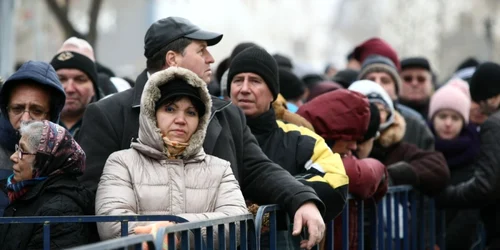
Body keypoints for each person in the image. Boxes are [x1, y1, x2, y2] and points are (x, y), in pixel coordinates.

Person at [78, 16, 325, 248]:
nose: (211, 59)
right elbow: (97, 203)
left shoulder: (227, 114)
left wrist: (301, 198)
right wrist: (158, 236)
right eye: (201, 50)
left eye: (191, 113)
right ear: (173, 59)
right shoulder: (108, 114)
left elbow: (258, 170)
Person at [96, 67, 248, 244]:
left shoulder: (220, 169)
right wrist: (160, 238)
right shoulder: (122, 163)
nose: (181, 120)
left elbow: (237, 222)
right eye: (170, 109)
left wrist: (174, 232)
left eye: (191, 112)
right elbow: (112, 225)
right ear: (151, 113)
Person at [228, 46, 348, 222]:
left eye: (255, 81)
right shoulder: (211, 135)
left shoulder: (300, 139)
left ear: (273, 94)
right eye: (238, 80)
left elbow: (335, 182)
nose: (244, 88)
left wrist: (272, 202)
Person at [297, 89, 388, 250]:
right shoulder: (301, 147)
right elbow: (359, 175)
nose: (354, 146)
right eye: (349, 137)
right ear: (330, 133)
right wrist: (381, 170)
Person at [0, 120, 92, 249]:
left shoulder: (59, 211)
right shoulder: (25, 193)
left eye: (23, 151)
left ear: (45, 160)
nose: (14, 157)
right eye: (17, 148)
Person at [436, 62, 500, 248]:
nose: (480, 108)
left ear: (493, 97)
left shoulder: (494, 125)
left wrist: (446, 195)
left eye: (481, 101)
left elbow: (485, 186)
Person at [348, 80, 449, 195]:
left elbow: (438, 167)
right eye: (370, 108)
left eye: (381, 109)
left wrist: (391, 174)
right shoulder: (347, 148)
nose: (376, 115)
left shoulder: (397, 148)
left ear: (389, 113)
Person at [0, 61, 66, 215]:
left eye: (36, 110)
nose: (25, 118)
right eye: (17, 108)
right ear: (6, 109)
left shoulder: (64, 156)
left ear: (51, 116)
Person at [428, 78, 481, 249]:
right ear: (433, 118)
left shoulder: (476, 152)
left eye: (455, 118)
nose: (448, 123)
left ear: (464, 121)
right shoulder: (421, 148)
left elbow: (471, 210)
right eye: (442, 116)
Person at [357, 55, 435, 151]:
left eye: (385, 81)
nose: (378, 84)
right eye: (371, 80)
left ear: (396, 90)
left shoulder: (415, 126)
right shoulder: (347, 123)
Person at [50, 37, 102, 138]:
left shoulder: (112, 124)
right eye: (61, 79)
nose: (70, 89)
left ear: (94, 88)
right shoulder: (33, 122)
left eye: (80, 79)